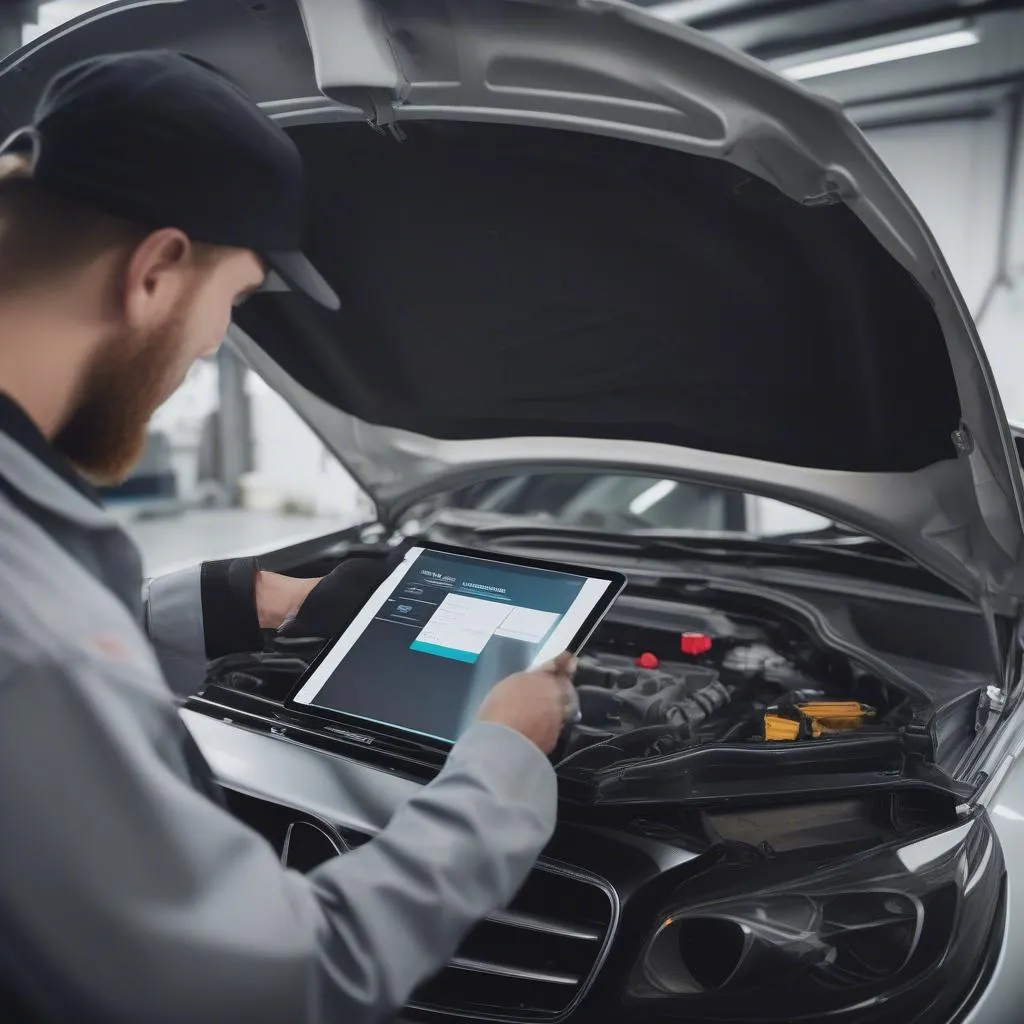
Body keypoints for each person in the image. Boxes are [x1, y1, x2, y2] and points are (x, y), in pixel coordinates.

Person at [0, 50, 580, 1023]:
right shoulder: (32, 644)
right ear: (155, 272)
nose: (204, 350)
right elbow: (280, 982)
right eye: (230, 307)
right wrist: (503, 764)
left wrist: (247, 603)